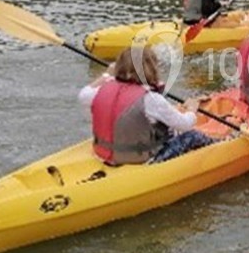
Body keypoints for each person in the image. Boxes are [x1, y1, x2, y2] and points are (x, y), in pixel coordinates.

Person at [79, 48, 216, 165]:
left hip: (103, 153)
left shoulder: (101, 90)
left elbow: (83, 94)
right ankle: (220, 145)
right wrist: (192, 108)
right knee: (192, 136)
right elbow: (185, 124)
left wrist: (107, 74)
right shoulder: (152, 99)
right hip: (141, 159)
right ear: (152, 69)